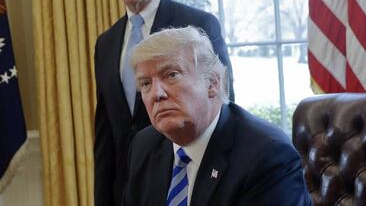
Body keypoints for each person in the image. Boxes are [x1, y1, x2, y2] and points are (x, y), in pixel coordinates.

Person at [94, 0, 235, 205]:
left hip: (189, 181)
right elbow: (105, 134)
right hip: (130, 190)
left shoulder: (197, 24)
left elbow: (223, 104)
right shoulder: (106, 43)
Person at [123, 26, 312, 205]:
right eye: (146, 83)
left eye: (171, 75)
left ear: (212, 82)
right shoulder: (144, 146)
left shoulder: (266, 155)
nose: (157, 94)